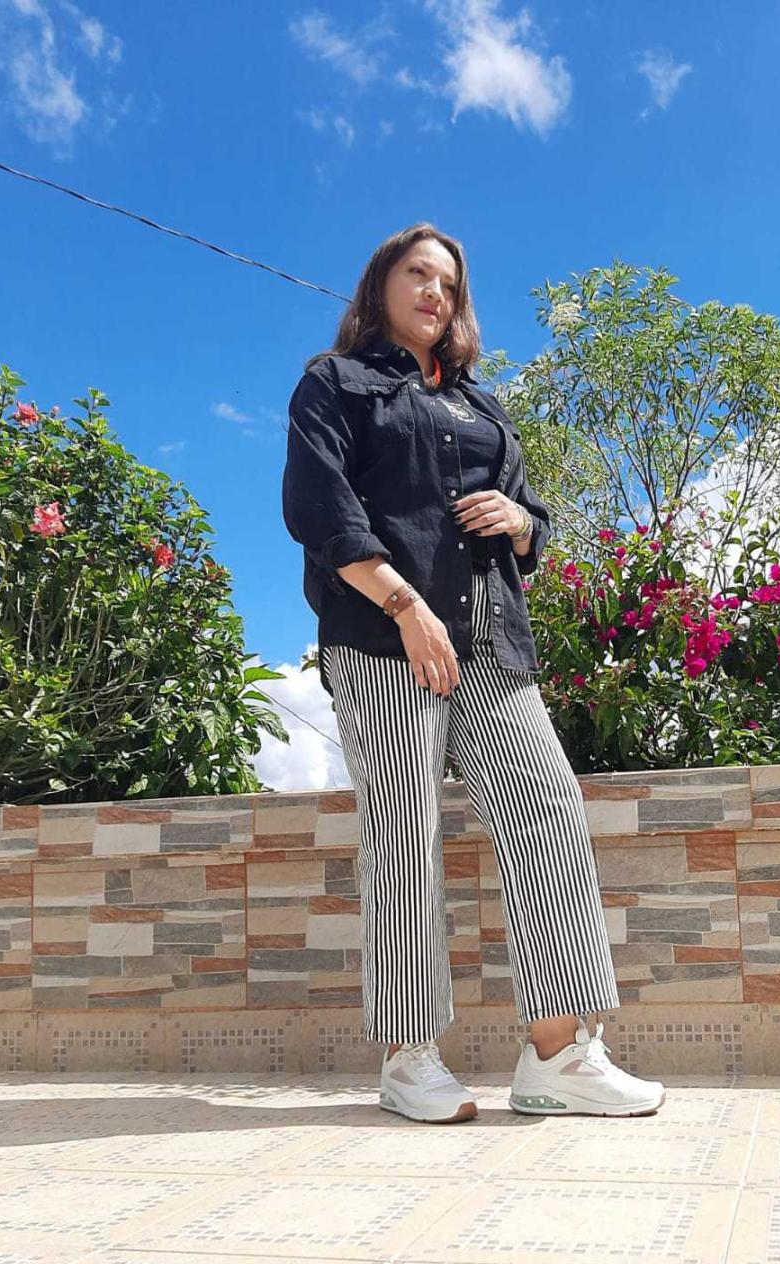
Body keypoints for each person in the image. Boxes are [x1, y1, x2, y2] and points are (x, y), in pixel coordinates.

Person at [282, 221, 665, 1124]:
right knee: (404, 831)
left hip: (493, 641)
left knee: (549, 810)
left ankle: (559, 1057)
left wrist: (521, 522)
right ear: (381, 285)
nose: (435, 293)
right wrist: (404, 607)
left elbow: (532, 517)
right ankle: (409, 1057)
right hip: (386, 637)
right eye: (418, 274)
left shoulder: (482, 406)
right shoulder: (336, 383)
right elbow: (320, 507)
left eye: (449, 283)